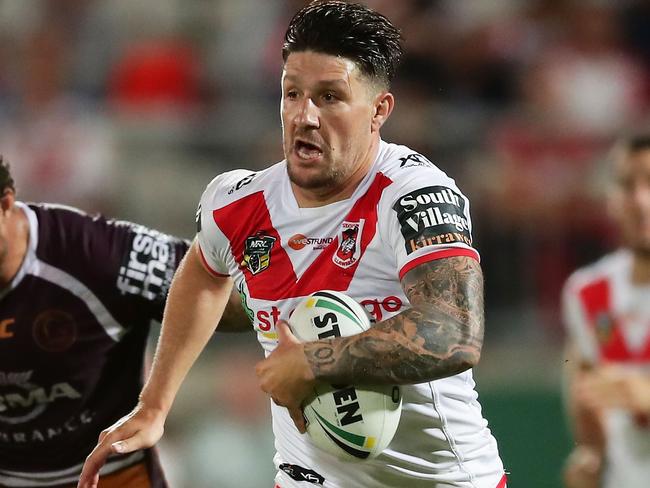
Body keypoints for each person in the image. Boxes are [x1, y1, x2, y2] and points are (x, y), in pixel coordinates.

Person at [79, 2, 507, 487]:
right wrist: (154, 404)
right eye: (292, 94)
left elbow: (454, 332)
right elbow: (203, 273)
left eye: (330, 97)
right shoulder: (236, 202)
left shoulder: (412, 195)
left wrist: (311, 363)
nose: (305, 115)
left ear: (379, 110)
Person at [0, 157, 246, 488]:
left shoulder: (98, 254)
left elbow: (220, 295)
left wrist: (156, 404)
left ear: (5, 203)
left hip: (108, 472)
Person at [562, 134, 650, 488]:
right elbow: (584, 388)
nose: (642, 200)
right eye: (628, 185)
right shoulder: (587, 292)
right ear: (611, 199)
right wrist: (591, 456)